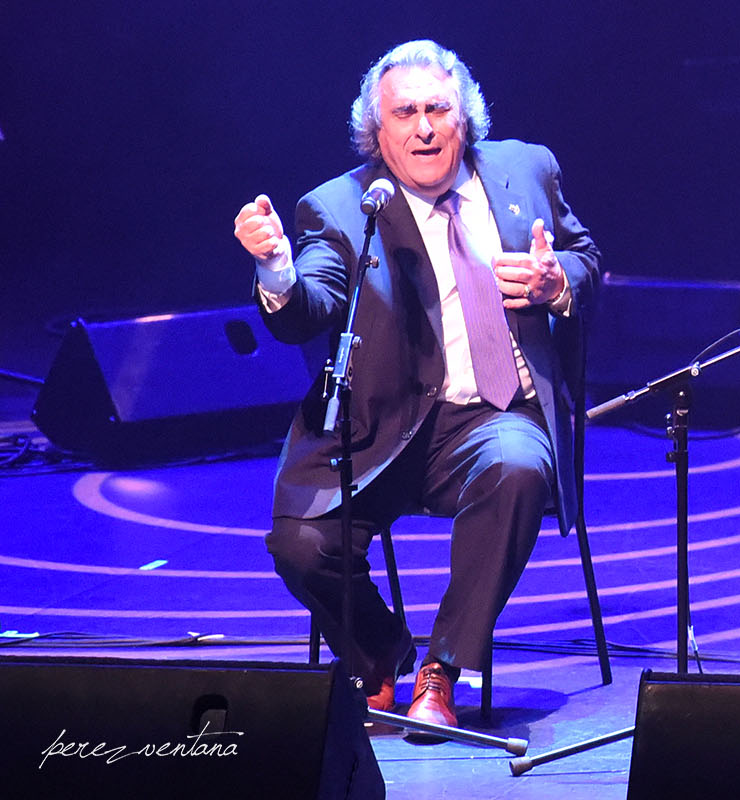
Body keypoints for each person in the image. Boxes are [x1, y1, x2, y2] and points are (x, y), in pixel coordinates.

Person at [232, 39, 600, 736]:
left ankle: (442, 671)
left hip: (493, 415)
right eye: (405, 114)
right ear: (377, 133)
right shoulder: (340, 208)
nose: (424, 128)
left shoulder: (527, 169)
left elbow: (585, 257)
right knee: (299, 544)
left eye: (438, 110)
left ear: (467, 120)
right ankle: (381, 660)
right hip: (379, 426)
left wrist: (559, 285)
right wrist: (277, 268)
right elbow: (310, 304)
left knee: (519, 466)